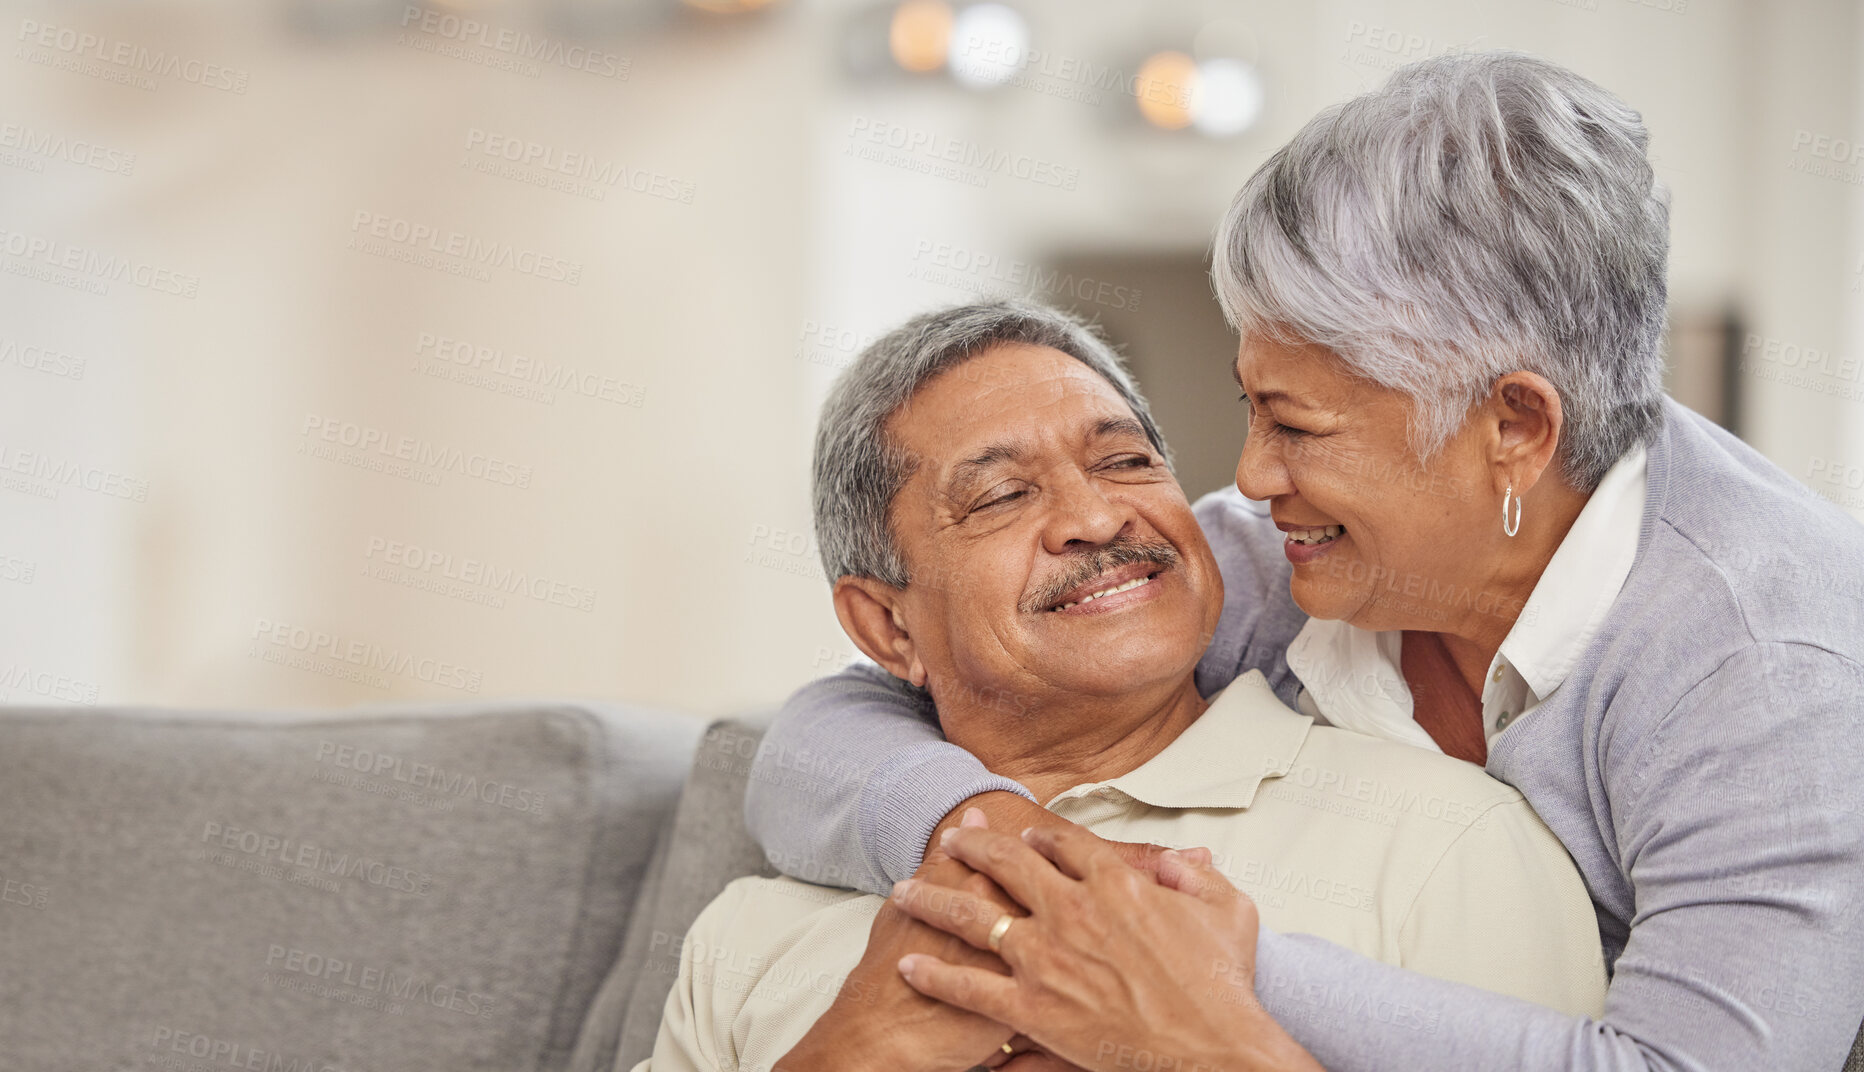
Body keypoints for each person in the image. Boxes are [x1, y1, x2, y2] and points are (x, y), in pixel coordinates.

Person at [745, 51, 1864, 1072]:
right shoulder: (1287, 562)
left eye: (1296, 425)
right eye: (1250, 407)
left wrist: (1161, 960)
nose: (1250, 474)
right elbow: (827, 727)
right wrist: (1003, 849)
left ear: (1515, 425)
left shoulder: (1774, 671)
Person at [639, 302, 1605, 1072]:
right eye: (1003, 495)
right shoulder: (753, 932)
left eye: (1126, 460)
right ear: (888, 627)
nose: (1097, 516)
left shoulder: (1446, 842)